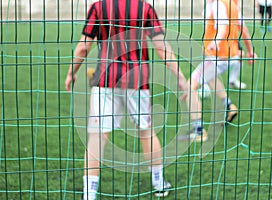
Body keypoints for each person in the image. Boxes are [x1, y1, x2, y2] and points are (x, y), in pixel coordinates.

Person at [64, 0, 191, 199]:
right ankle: (159, 184)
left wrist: (72, 72)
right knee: (146, 132)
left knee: (97, 136)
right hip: (137, 81)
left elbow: (83, 47)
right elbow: (161, 47)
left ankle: (89, 194)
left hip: (105, 79)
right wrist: (181, 78)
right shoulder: (145, 8)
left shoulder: (99, 7)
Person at [183, 0, 257, 141]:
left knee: (190, 87)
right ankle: (229, 106)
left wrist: (215, 42)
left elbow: (222, 27)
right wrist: (250, 51)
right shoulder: (232, 5)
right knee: (211, 78)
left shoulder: (219, 4)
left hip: (218, 56)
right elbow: (245, 31)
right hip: (230, 54)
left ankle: (198, 131)